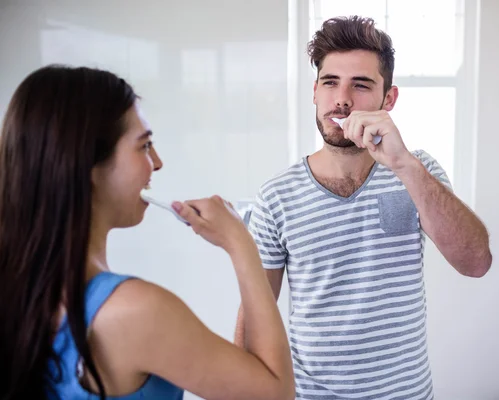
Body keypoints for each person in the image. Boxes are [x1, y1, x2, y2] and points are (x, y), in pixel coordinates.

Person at [234, 16, 492, 399]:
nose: (342, 99)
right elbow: (255, 314)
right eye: (330, 82)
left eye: (361, 84)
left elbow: (476, 262)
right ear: (315, 92)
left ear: (388, 99)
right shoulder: (276, 197)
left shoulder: (418, 171)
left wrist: (404, 165)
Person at [0, 65, 295, 400]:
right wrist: (241, 243)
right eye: (144, 145)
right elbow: (275, 393)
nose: (157, 162)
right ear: (87, 166)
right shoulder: (136, 312)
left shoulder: (16, 291)